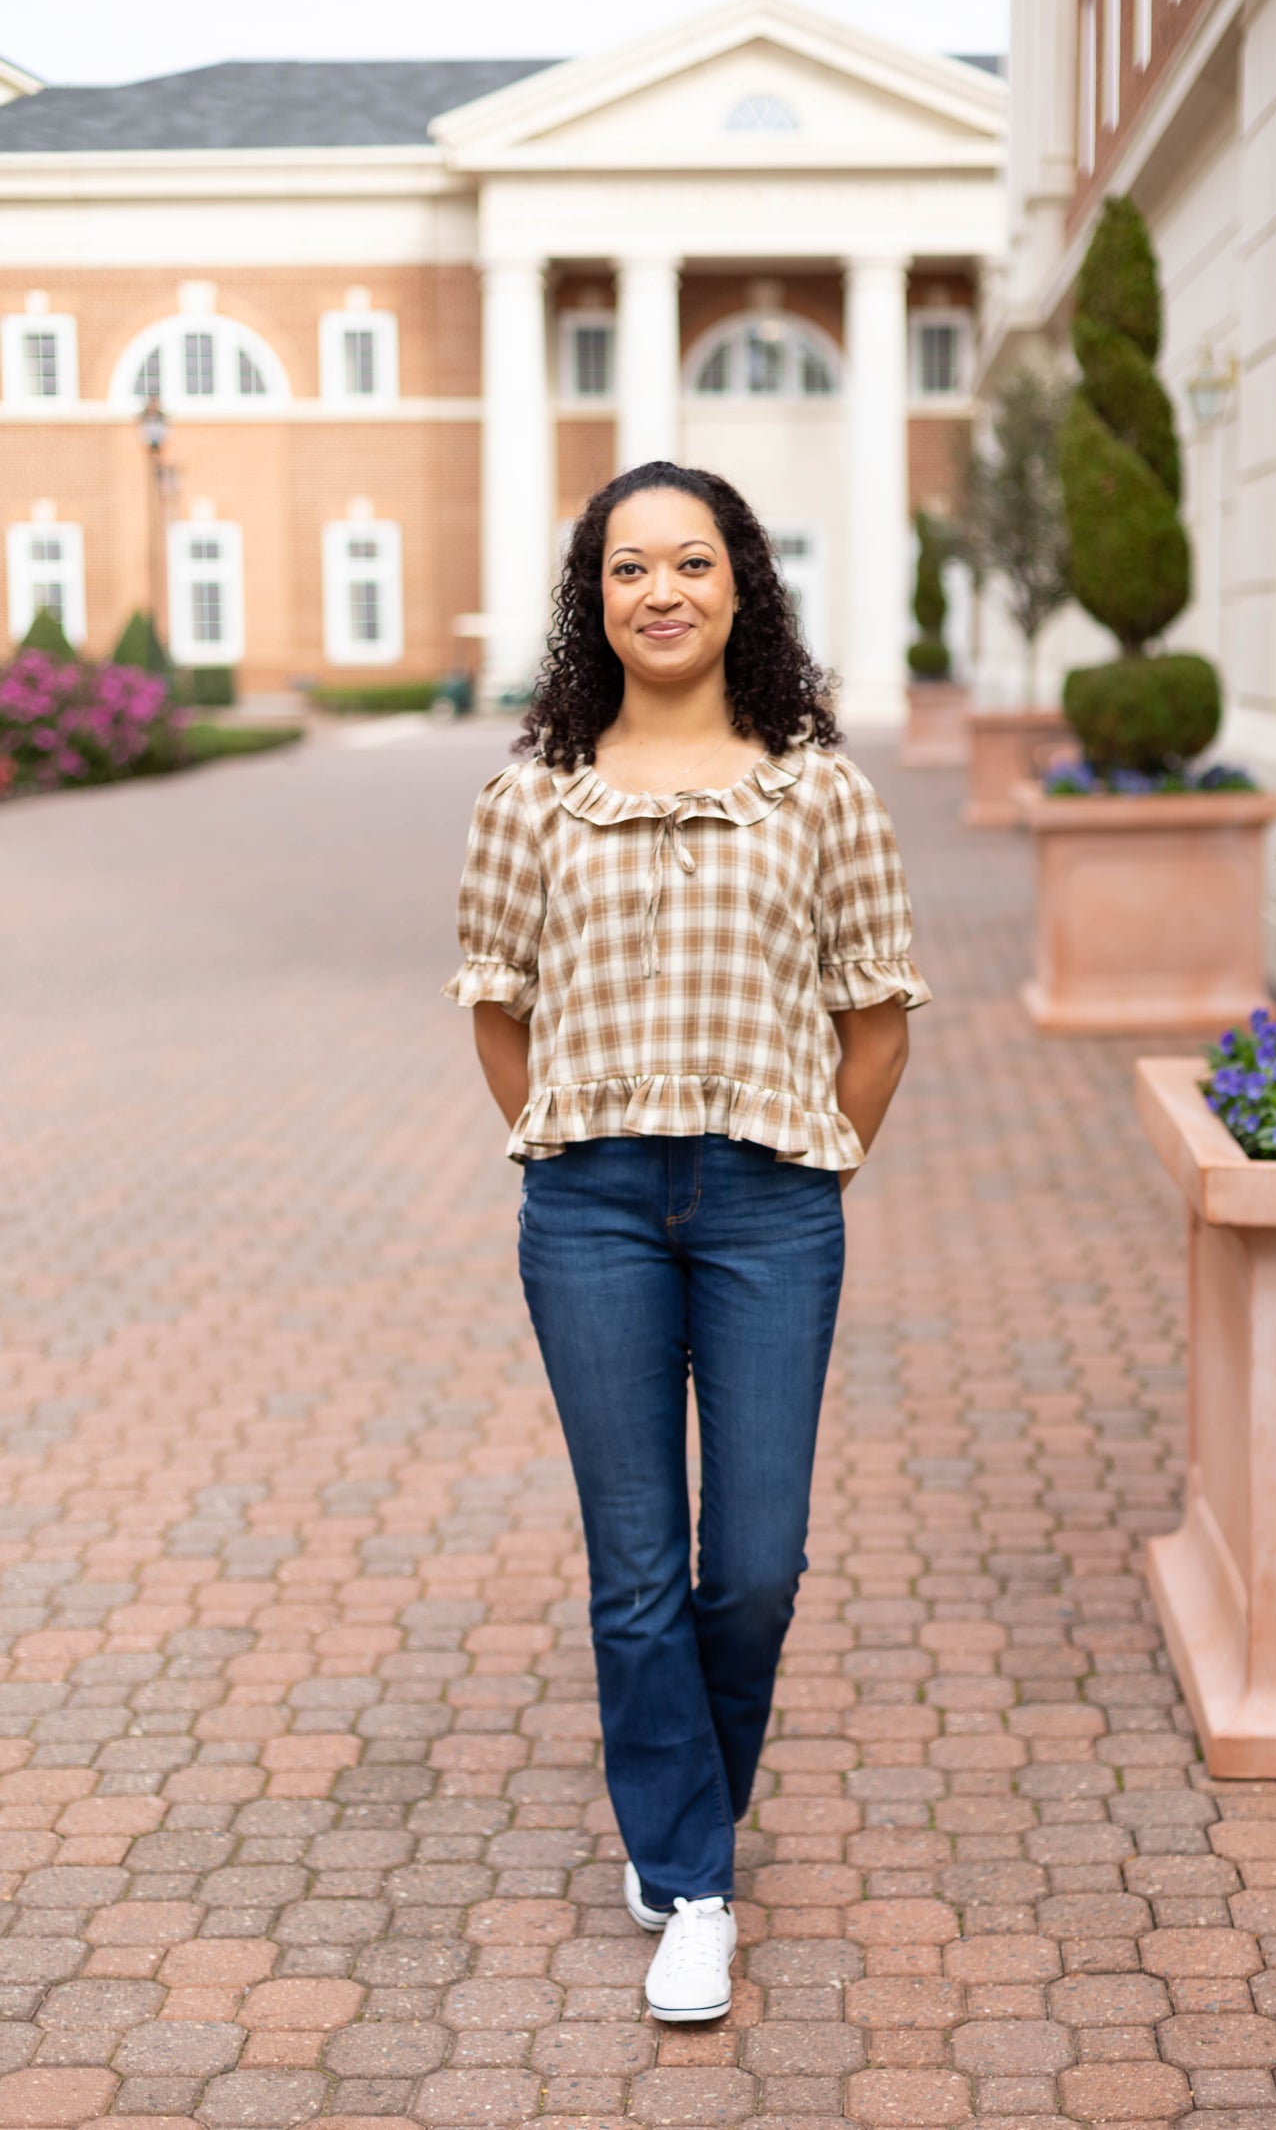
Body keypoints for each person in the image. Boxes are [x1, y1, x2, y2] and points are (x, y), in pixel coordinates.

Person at [444, 459, 929, 2022]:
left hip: (771, 1204)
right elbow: (500, 1007)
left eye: (692, 564)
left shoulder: (817, 788)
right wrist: (575, 1137)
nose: (661, 592)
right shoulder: (532, 793)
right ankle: (694, 1878)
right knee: (638, 1566)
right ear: (594, 600)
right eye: (628, 568)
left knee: (760, 1565)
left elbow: (874, 1011)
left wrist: (812, 1164)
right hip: (586, 1206)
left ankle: (678, 1813)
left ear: (741, 588)